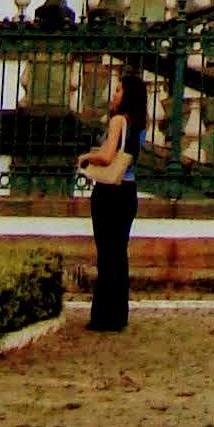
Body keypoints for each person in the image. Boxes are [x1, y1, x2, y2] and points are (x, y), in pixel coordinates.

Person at [78, 68, 146, 332]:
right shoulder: (139, 124)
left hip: (109, 193)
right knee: (119, 254)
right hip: (128, 191)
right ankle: (118, 314)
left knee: (106, 255)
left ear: (127, 95)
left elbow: (107, 156)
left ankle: (103, 317)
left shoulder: (118, 121)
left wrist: (86, 158)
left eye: (118, 90)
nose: (114, 94)